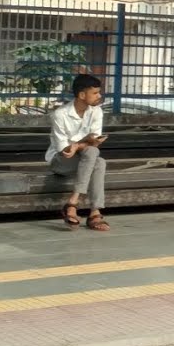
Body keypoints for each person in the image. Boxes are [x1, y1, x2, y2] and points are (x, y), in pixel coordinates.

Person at [48, 74, 110, 231]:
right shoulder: (60, 114)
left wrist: (78, 145)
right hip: (61, 161)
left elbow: (95, 142)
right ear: (82, 95)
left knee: (97, 158)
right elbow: (65, 151)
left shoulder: (96, 112)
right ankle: (93, 213)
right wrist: (77, 146)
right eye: (95, 93)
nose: (99, 96)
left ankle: (75, 204)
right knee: (93, 155)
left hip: (85, 160)